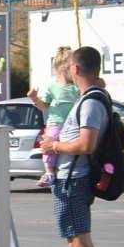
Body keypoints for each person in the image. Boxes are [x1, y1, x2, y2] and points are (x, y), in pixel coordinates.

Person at [39, 46, 111, 247]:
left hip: (74, 179)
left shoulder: (91, 101)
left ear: (76, 69)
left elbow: (86, 143)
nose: (67, 70)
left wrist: (53, 145)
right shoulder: (89, 97)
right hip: (71, 178)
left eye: (69, 66)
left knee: (79, 238)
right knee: (75, 238)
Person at [28, 46, 79, 188]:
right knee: (49, 143)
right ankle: (49, 172)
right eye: (73, 66)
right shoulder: (53, 87)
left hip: (72, 125)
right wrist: (34, 98)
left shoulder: (77, 87)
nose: (76, 69)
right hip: (56, 123)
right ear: (64, 68)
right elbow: (44, 106)